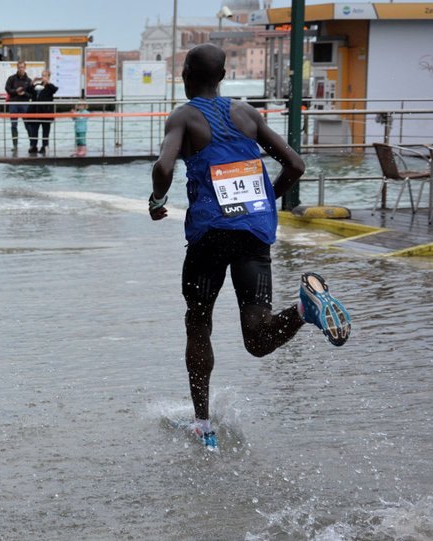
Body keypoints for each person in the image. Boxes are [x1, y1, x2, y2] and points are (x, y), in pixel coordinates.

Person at [149, 44, 351, 451]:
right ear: (222, 75)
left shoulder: (184, 116)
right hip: (254, 232)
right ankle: (302, 310)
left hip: (210, 235)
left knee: (198, 321)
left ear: (187, 73)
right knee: (257, 338)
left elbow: (164, 167)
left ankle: (202, 424)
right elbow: (295, 165)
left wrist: (156, 202)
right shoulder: (248, 113)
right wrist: (263, 204)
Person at [28, 69, 58, 154]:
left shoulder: (50, 87)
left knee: (46, 131)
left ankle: (45, 146)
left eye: (45, 76)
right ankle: (33, 146)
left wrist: (47, 83)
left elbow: (55, 90)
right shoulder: (37, 86)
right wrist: (33, 81)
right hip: (35, 112)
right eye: (42, 75)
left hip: (46, 112)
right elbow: (29, 89)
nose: (43, 77)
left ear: (48, 77)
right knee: (34, 130)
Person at [5, 60, 33, 152]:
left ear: (25, 68)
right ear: (17, 68)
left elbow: (31, 94)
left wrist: (24, 93)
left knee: (28, 125)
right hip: (14, 103)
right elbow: (7, 89)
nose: (21, 69)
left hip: (24, 104)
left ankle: (32, 144)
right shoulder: (11, 78)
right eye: (19, 67)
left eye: (22, 67)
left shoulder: (29, 81)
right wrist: (16, 91)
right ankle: (15, 145)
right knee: (13, 125)